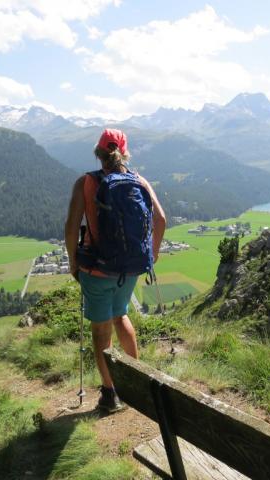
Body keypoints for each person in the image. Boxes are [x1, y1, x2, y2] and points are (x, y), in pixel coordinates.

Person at [64, 128, 166, 412]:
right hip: (129, 268)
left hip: (96, 269)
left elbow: (71, 228)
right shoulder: (139, 181)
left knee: (101, 331)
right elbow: (161, 219)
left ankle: (111, 394)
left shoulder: (85, 183)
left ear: (98, 153)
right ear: (125, 152)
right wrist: (152, 254)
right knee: (121, 316)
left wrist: (73, 262)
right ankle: (136, 382)